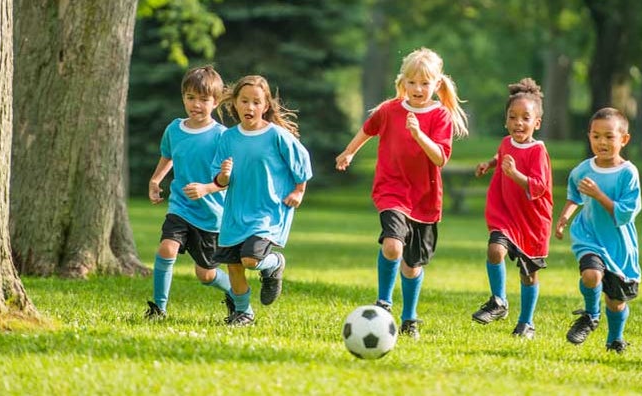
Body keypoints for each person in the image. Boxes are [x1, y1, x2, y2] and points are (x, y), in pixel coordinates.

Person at [335, 47, 470, 340]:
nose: (417, 89)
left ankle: (410, 317)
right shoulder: (389, 110)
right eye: (412, 82)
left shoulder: (440, 116)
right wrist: (349, 152)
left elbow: (440, 158)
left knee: (412, 266)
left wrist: (419, 135)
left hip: (424, 198)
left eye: (424, 83)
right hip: (391, 189)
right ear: (403, 82)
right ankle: (383, 302)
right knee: (393, 245)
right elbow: (367, 130)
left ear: (437, 84)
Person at [198, 75, 313, 327]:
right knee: (234, 266)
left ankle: (274, 263)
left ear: (266, 106)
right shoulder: (227, 138)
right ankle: (243, 313)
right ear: (235, 104)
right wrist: (224, 175)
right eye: (244, 101)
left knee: (251, 260)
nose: (250, 107)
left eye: (256, 102)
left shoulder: (277, 136)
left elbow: (302, 163)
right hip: (235, 213)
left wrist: (299, 191)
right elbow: (218, 179)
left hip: (267, 212)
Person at [144, 65, 233, 320]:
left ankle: (233, 291)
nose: (196, 104)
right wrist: (156, 179)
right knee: (166, 249)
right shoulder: (174, 129)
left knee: (205, 274)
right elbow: (168, 155)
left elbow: (227, 180)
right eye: (190, 98)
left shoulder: (221, 136)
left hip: (211, 214)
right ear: (183, 97)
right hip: (180, 207)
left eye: (203, 100)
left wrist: (207, 188)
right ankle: (158, 308)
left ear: (215, 102)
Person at [469, 78, 553, 339]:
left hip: (532, 221)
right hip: (505, 213)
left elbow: (539, 186)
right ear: (506, 120)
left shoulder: (538, 151)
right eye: (513, 117)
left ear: (536, 123)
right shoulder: (506, 142)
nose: (519, 123)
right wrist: (490, 163)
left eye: (525, 118)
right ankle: (499, 301)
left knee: (529, 275)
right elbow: (503, 154)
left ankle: (526, 323)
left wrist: (515, 175)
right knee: (495, 250)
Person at [554, 107, 641, 354]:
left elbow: (624, 214)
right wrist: (564, 218)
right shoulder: (583, 169)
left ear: (623, 139)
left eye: (609, 136)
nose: (601, 142)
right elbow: (574, 196)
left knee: (616, 303)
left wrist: (599, 195)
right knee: (591, 275)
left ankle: (615, 339)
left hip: (618, 244)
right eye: (595, 136)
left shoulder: (628, 173)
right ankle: (591, 315)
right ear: (589, 136)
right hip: (588, 236)